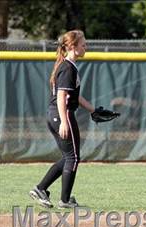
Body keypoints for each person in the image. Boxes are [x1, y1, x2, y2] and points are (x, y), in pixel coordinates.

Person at [29, 30, 95, 208]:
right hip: (61, 114)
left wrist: (93, 110)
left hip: (57, 114)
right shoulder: (67, 67)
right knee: (73, 157)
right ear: (73, 47)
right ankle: (64, 200)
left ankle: (41, 189)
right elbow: (61, 96)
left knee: (68, 157)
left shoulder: (69, 65)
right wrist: (65, 121)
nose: (86, 47)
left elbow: (76, 97)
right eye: (83, 44)